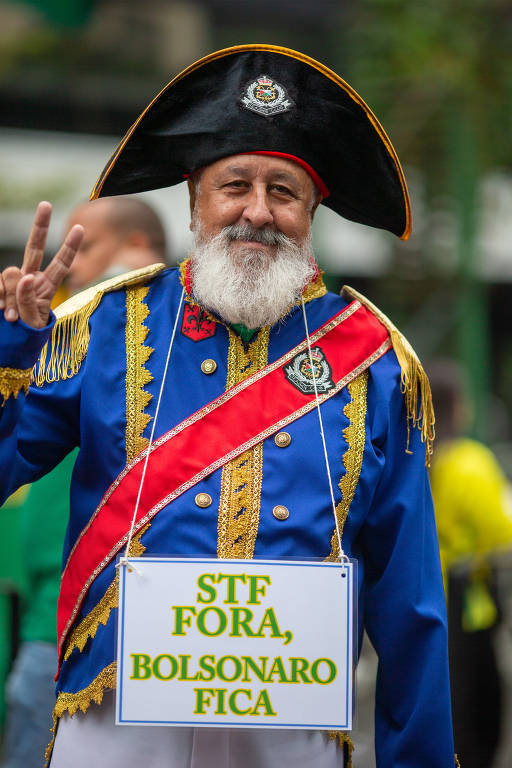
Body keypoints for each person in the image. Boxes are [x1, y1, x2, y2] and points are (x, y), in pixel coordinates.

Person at [0, 45, 457, 767]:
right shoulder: (102, 327)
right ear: (194, 199)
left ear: (312, 212)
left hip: (293, 727)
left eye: (284, 192)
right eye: (234, 184)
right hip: (115, 718)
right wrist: (12, 352)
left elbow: (410, 601)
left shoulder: (373, 359)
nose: (257, 211)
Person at [0, 198, 167, 768]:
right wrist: (17, 343)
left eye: (83, 249)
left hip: (107, 631)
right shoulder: (66, 337)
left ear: (137, 250)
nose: (64, 269)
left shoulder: (124, 342)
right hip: (49, 616)